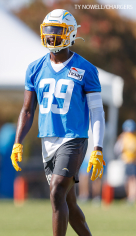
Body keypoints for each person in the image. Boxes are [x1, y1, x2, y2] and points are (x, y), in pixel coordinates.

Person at [10, 9, 106, 236]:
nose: (52, 36)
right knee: (68, 203)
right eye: (48, 30)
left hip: (73, 138)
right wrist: (18, 141)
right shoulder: (35, 68)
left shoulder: (86, 69)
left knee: (56, 192)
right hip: (48, 140)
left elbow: (97, 111)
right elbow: (27, 109)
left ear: (71, 33)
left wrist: (98, 148)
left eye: (58, 31)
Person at [114, 119, 136, 204]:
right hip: (130, 162)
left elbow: (117, 149)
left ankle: (131, 197)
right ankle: (131, 196)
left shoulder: (124, 137)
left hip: (129, 162)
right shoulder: (131, 137)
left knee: (131, 180)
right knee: (131, 180)